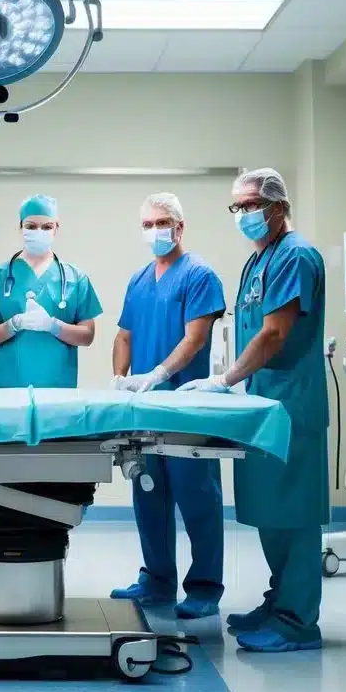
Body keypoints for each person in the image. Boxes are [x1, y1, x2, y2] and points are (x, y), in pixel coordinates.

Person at [179, 168, 329, 653]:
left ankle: (298, 619)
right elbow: (248, 331)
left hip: (292, 405)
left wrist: (225, 379)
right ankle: (278, 600)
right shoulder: (258, 260)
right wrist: (232, 378)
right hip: (264, 403)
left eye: (250, 206)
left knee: (294, 515)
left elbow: (274, 333)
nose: (243, 215)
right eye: (237, 208)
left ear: (278, 207)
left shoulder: (297, 257)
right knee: (270, 511)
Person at [109, 192, 227, 620]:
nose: (154, 231)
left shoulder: (199, 276)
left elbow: (195, 338)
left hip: (184, 405)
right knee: (148, 494)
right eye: (147, 224)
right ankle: (157, 581)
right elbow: (123, 336)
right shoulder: (139, 280)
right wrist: (121, 379)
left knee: (196, 496)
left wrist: (157, 374)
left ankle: (204, 587)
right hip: (144, 410)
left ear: (180, 226)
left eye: (162, 223)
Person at [0, 195, 102, 388]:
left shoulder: (75, 278)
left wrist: (53, 326)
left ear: (57, 228)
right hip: (10, 387)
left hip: (58, 388)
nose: (39, 231)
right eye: (31, 226)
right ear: (20, 227)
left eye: (47, 227)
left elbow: (87, 336)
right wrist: (13, 325)